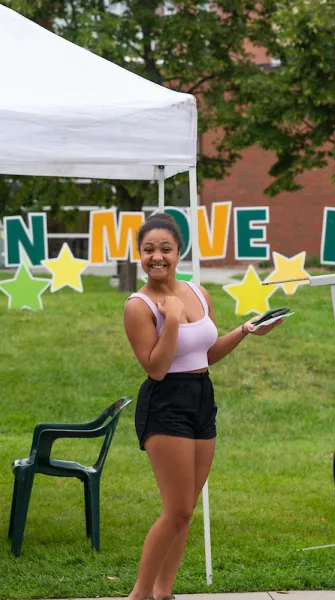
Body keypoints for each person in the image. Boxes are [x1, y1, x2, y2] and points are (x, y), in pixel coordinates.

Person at [123, 213, 282, 600]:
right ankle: (139, 596)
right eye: (148, 250)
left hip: (201, 397)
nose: (156, 257)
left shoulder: (198, 292)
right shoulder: (138, 305)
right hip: (165, 403)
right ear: (138, 255)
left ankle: (164, 593)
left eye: (165, 249)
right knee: (175, 510)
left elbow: (206, 354)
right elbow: (156, 369)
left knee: (186, 511)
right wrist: (172, 320)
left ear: (179, 252)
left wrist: (245, 331)